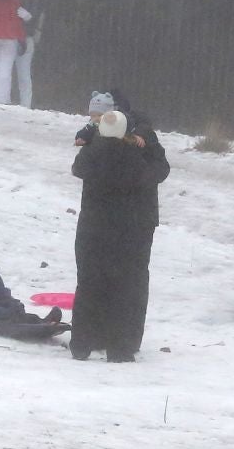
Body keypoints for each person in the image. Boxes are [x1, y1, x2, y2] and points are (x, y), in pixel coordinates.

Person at [70, 94, 169, 361]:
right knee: (125, 289)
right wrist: (147, 146)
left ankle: (81, 344)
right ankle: (120, 348)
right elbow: (158, 172)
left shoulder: (91, 154)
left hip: (92, 230)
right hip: (126, 231)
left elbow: (77, 167)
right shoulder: (134, 158)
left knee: (88, 285)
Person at [13, 0, 42, 108]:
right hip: (11, 37)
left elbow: (34, 16)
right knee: (6, 70)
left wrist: (28, 17)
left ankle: (25, 105)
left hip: (27, 37)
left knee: (24, 73)